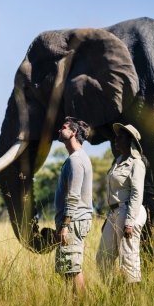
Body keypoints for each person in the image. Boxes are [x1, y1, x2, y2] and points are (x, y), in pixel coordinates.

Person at [96, 123, 147, 283]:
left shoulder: (136, 163)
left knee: (128, 262)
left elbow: (137, 193)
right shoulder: (117, 161)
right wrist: (108, 218)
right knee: (102, 258)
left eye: (120, 136)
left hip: (129, 212)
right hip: (114, 213)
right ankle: (114, 295)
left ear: (130, 140)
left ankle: (133, 303)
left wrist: (130, 222)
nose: (116, 139)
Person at [54, 117, 93, 292]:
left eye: (63, 127)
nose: (59, 130)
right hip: (74, 221)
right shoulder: (77, 158)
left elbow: (73, 196)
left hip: (74, 221)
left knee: (72, 269)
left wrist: (65, 225)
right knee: (68, 268)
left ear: (74, 132)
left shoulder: (76, 160)